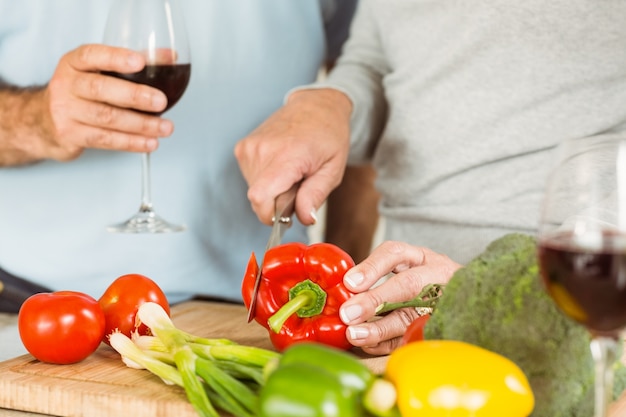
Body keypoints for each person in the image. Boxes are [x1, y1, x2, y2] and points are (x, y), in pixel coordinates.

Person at [235, 1, 626, 354]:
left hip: (580, 305)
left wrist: (505, 291)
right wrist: (334, 105)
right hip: (404, 320)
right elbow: (378, 59)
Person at [0, 0, 365, 312]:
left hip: (265, 302)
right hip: (33, 306)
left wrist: (344, 279)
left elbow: (367, 77)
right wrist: (36, 120)